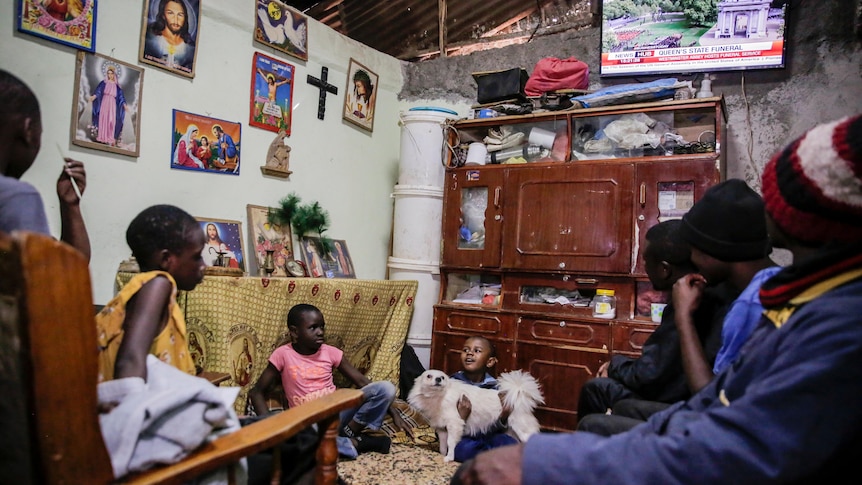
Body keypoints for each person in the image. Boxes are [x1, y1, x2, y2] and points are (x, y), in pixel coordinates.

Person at [451, 114, 862, 485]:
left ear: (792, 218)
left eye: (773, 198)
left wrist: (552, 461)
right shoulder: (803, 298)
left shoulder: (834, 322)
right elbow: (714, 405)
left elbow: (733, 444)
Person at [575, 220, 732, 432]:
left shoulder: (690, 304)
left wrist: (615, 366)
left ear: (665, 269)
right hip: (681, 395)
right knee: (600, 389)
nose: (644, 268)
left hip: (681, 404)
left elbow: (648, 376)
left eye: (646, 262)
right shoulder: (711, 291)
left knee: (596, 395)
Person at [248, 303, 413, 460]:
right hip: (308, 422)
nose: (320, 332)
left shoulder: (331, 352)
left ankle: (349, 432)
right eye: (313, 327)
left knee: (386, 388)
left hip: (338, 414)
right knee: (296, 443)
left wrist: (394, 412)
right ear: (294, 332)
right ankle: (360, 443)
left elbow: (364, 382)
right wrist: (268, 426)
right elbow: (256, 391)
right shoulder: (282, 354)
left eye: (322, 327)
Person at [95, 204, 203, 382]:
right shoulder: (158, 284)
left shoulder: (145, 288)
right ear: (166, 259)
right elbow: (130, 360)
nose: (203, 266)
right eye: (197, 256)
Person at [0, 69, 91, 261]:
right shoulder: (15, 196)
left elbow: (69, 263)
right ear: (28, 131)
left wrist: (70, 206)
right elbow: (62, 277)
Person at [449, 336, 517, 463]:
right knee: (463, 450)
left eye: (477, 351)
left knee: (510, 444)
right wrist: (461, 417)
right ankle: (491, 459)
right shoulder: (452, 384)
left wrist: (503, 415)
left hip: (489, 435)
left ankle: (486, 459)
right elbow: (444, 422)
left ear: (490, 362)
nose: (469, 353)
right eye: (465, 350)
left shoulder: (496, 388)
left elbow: (496, 426)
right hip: (465, 436)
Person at [143, 0, 196, 72]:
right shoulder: (150, 39)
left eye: (180, 15)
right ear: (163, 15)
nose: (176, 20)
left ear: (185, 17)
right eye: (170, 13)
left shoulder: (190, 48)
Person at [89, 63, 129, 147]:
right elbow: (99, 91)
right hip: (105, 101)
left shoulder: (117, 86)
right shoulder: (104, 83)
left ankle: (110, 137)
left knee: (111, 120)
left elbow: (121, 97)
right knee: (103, 118)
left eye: (111, 73)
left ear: (114, 74)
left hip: (112, 103)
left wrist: (124, 105)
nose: (110, 75)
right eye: (108, 73)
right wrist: (94, 96)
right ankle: (102, 137)